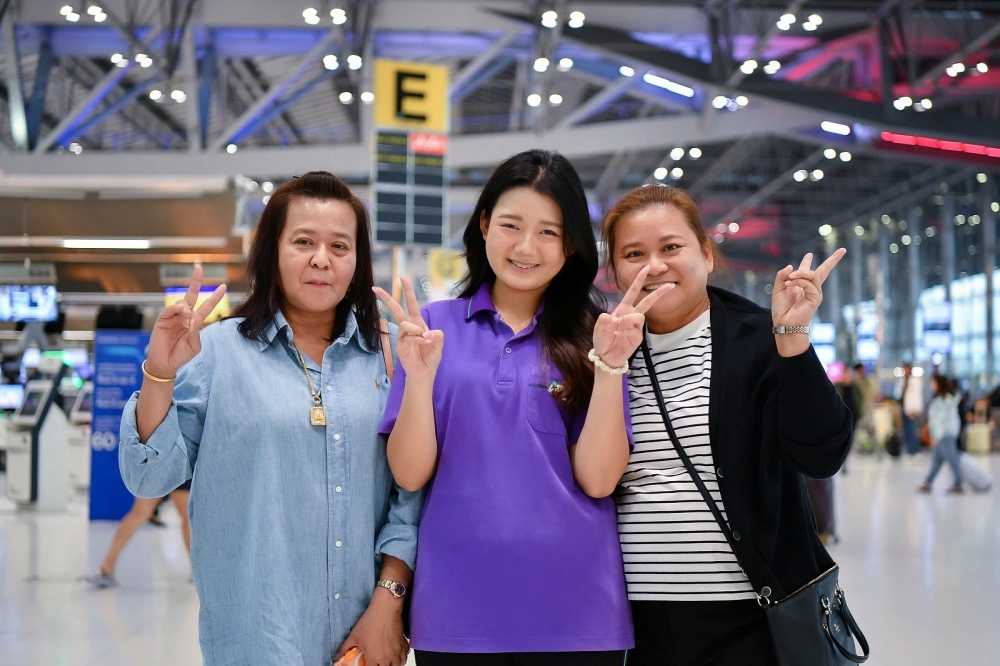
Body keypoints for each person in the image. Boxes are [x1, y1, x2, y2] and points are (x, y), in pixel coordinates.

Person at [376, 150, 669, 665]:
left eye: (548, 232)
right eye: (511, 225)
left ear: (571, 243)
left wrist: (609, 366)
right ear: (484, 224)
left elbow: (599, 480)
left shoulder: (596, 334)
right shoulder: (433, 329)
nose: (526, 247)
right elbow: (409, 473)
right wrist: (417, 381)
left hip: (578, 612)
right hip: (457, 612)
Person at [118, 172, 421, 666]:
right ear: (272, 252)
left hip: (362, 637)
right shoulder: (216, 354)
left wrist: (389, 602)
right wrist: (159, 374)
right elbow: (146, 476)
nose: (321, 258)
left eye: (340, 246)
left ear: (357, 262)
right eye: (303, 241)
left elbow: (409, 496)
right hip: (256, 637)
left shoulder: (388, 355)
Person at [601, 185, 853, 666]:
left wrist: (793, 338)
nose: (654, 265)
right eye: (634, 254)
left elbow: (822, 455)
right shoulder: (606, 350)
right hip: (635, 621)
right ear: (615, 270)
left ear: (706, 254)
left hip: (751, 616)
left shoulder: (760, 337)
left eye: (671, 247)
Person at [87, 480, 191, 588]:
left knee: (140, 513)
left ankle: (108, 562)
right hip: (177, 471)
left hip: (153, 472)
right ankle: (197, 568)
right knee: (187, 516)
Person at [918, 374, 964, 494]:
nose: (931, 385)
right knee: (937, 460)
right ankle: (928, 482)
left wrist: (936, 436)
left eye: (933, 383)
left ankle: (958, 483)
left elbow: (940, 420)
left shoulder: (944, 400)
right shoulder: (943, 398)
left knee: (952, 459)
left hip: (944, 434)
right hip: (942, 434)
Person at [897, 363, 924, 455]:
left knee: (912, 431)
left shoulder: (915, 381)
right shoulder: (902, 380)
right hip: (904, 408)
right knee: (906, 431)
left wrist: (914, 410)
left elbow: (916, 397)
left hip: (912, 410)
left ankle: (914, 451)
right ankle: (909, 450)